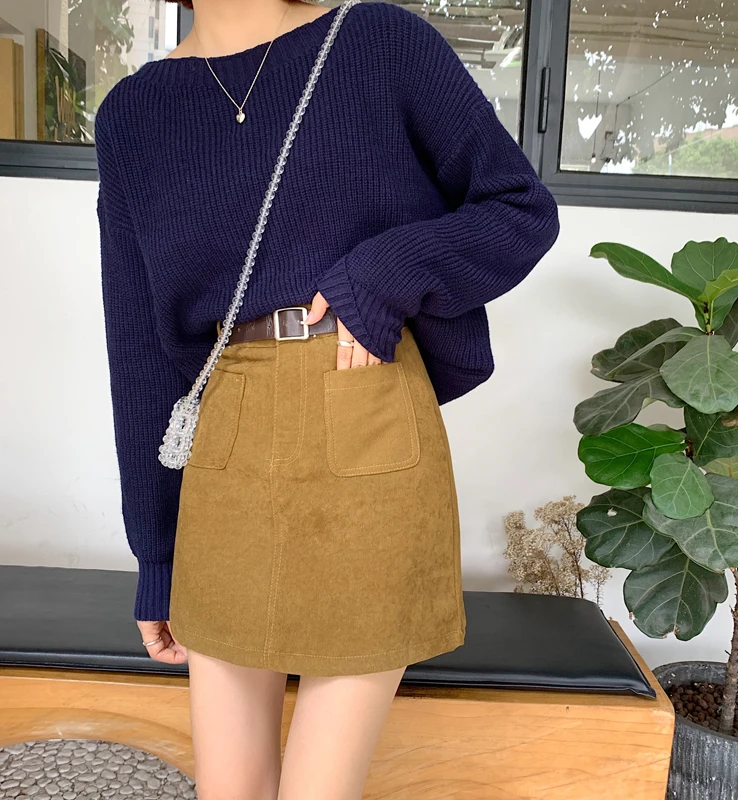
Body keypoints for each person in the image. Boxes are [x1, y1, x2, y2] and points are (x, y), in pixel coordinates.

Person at [93, 0, 559, 797]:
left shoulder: (378, 42)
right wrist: (156, 555)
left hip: (365, 407)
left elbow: (519, 207)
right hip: (227, 432)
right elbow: (139, 348)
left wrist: (386, 271)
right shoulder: (132, 115)